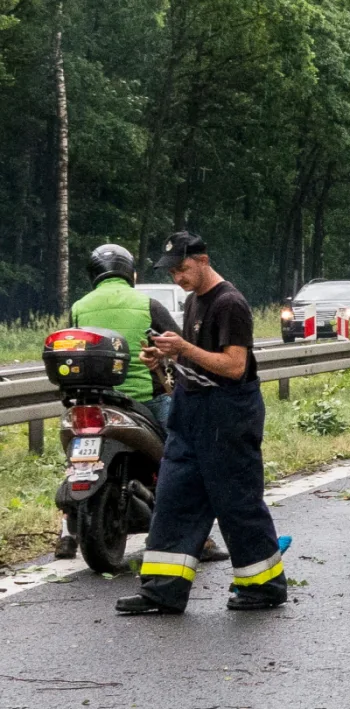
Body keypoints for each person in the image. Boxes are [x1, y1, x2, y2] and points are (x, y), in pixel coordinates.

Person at [116, 232, 286, 615]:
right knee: (173, 500)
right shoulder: (194, 301)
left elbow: (234, 365)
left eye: (183, 268)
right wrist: (161, 361)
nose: (178, 277)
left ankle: (263, 586)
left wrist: (183, 348)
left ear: (203, 259)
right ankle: (161, 591)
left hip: (227, 418)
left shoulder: (230, 303)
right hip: (190, 415)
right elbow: (193, 365)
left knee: (237, 503)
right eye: (172, 271)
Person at [53, 244, 181, 559]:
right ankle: (195, 534)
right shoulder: (148, 303)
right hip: (143, 400)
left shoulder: (80, 306)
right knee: (181, 455)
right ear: (129, 273)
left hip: (91, 399)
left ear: (94, 275)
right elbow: (180, 347)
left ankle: (66, 529)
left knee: (76, 461)